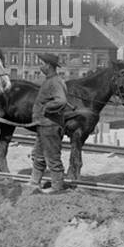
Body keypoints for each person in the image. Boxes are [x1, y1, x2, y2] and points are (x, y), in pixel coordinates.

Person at [29, 52, 88, 194]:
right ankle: (34, 182)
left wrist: (46, 107)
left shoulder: (54, 82)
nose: (40, 66)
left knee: (52, 157)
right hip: (44, 125)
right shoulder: (51, 80)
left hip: (50, 126)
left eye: (42, 63)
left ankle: (57, 187)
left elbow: (61, 101)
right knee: (38, 155)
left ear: (49, 66)